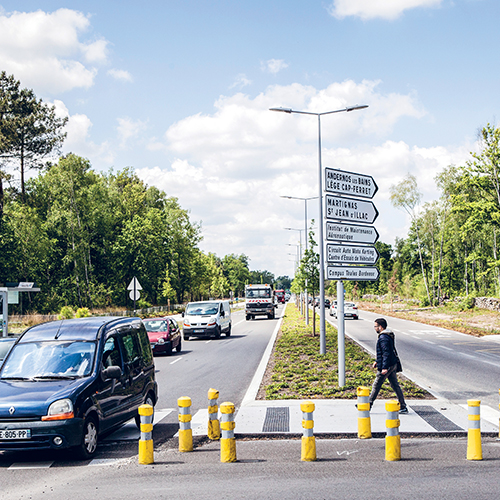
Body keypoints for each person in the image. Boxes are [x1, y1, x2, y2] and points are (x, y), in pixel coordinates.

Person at [369, 317, 408, 414]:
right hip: (392, 364)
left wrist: (384, 367)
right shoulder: (388, 335)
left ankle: (368, 405)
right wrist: (377, 361)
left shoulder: (383, 338)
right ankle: (403, 406)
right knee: (395, 385)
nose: (375, 328)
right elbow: (385, 352)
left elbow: (386, 353)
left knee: (376, 385)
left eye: (375, 326)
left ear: (380, 327)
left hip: (388, 366)